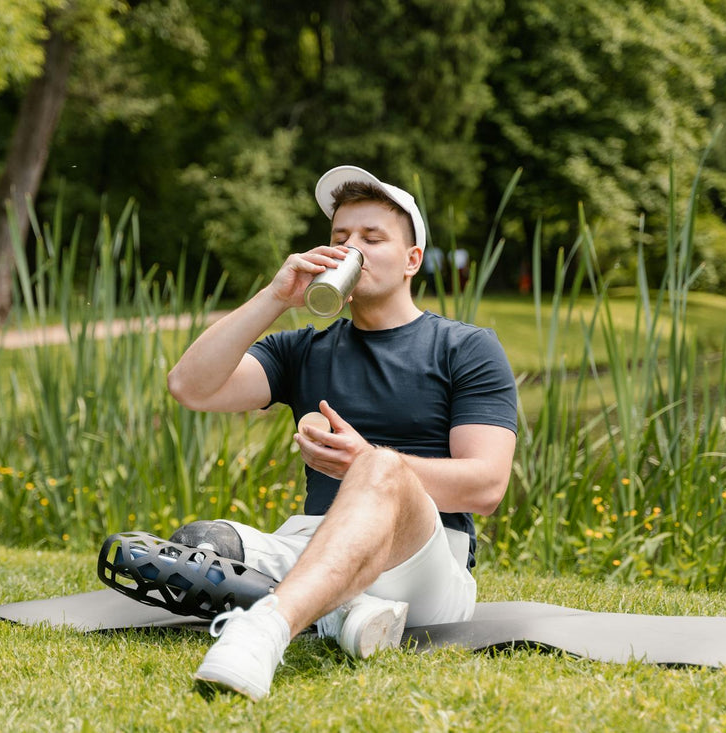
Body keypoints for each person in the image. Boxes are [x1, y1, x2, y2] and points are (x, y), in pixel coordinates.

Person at [166, 164, 518, 701]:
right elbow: (190, 386)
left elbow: (487, 487)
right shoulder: (302, 349)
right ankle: (348, 614)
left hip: (424, 563)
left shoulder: (465, 348)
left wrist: (367, 464)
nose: (350, 248)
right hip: (314, 541)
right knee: (200, 546)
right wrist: (275, 297)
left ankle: (266, 630)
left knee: (381, 465)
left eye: (372, 238)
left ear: (411, 260)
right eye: (340, 238)